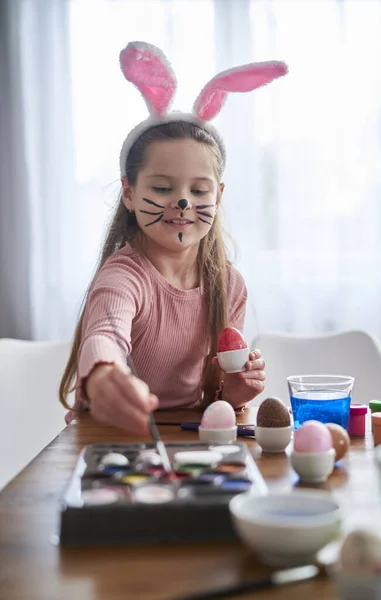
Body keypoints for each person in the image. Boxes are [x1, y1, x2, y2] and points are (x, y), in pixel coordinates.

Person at [59, 41, 288, 435]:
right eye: (163, 188)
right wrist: (103, 373)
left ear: (218, 195)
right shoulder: (125, 276)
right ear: (129, 192)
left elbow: (213, 395)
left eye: (199, 191)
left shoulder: (230, 285)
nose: (183, 202)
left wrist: (233, 390)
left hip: (186, 440)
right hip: (111, 437)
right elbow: (105, 335)